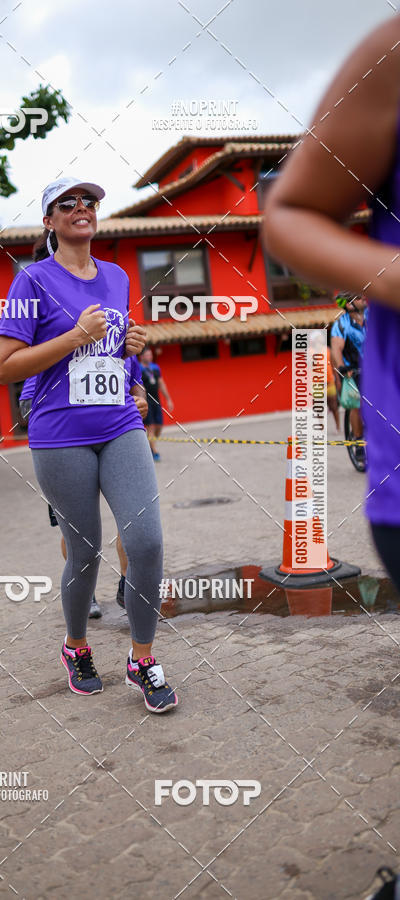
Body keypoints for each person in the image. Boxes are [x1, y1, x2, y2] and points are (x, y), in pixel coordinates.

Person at [0, 176, 178, 713]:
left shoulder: (118, 276)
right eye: (67, 203)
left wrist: (131, 350)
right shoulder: (31, 281)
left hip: (120, 425)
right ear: (49, 221)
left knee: (145, 541)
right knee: (85, 552)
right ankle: (75, 645)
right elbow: (4, 368)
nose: (82, 209)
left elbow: (111, 351)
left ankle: (141, 658)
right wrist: (75, 335)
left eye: (89, 202)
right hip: (60, 435)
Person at [263, 14, 400, 591]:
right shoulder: (391, 55)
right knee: (347, 402)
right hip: (359, 382)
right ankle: (356, 440)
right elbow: (291, 214)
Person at [19, 358, 149, 619]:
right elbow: (26, 407)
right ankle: (83, 587)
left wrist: (140, 400)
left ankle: (127, 584)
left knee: (133, 518)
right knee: (77, 531)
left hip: (117, 439)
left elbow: (136, 386)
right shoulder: (56, 332)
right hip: (66, 444)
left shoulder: (119, 330)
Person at [330, 291, 369, 457]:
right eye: (359, 298)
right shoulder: (341, 324)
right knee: (356, 404)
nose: (363, 299)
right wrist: (341, 367)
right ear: (348, 304)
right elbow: (336, 349)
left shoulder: (372, 317)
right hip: (352, 370)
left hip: (373, 367)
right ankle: (359, 442)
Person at [139, 347, 173, 461]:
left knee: (159, 426)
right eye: (147, 355)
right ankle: (154, 452)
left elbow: (161, 383)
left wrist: (168, 399)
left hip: (156, 401)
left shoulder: (155, 368)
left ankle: (150, 444)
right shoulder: (138, 368)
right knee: (150, 427)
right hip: (146, 401)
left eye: (150, 355)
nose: (150, 357)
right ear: (142, 356)